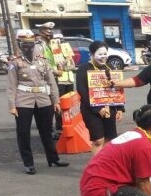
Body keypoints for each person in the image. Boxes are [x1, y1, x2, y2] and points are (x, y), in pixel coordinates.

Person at [7, 29, 69, 175]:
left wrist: (56, 100)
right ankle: (28, 163)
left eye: (31, 44)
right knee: (23, 133)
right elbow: (11, 85)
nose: (28, 47)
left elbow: (51, 82)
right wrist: (12, 105)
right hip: (23, 100)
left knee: (47, 131)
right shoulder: (15, 63)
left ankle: (53, 158)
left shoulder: (42, 61)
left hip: (43, 99)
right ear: (19, 44)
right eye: (24, 44)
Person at [76, 41, 124, 155]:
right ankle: (97, 167)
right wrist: (98, 109)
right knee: (98, 140)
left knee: (109, 138)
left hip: (109, 107)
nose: (103, 57)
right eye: (100, 54)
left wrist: (120, 108)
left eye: (105, 54)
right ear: (92, 54)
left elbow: (117, 88)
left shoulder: (111, 67)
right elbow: (82, 91)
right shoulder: (83, 69)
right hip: (90, 110)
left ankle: (106, 165)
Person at [33, 22, 66, 139]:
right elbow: (40, 63)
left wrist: (63, 64)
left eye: (51, 31)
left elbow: (55, 60)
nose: (50, 33)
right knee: (47, 107)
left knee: (56, 104)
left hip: (53, 79)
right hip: (44, 80)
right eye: (47, 31)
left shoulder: (51, 45)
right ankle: (47, 132)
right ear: (41, 32)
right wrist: (55, 71)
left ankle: (55, 130)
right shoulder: (38, 46)